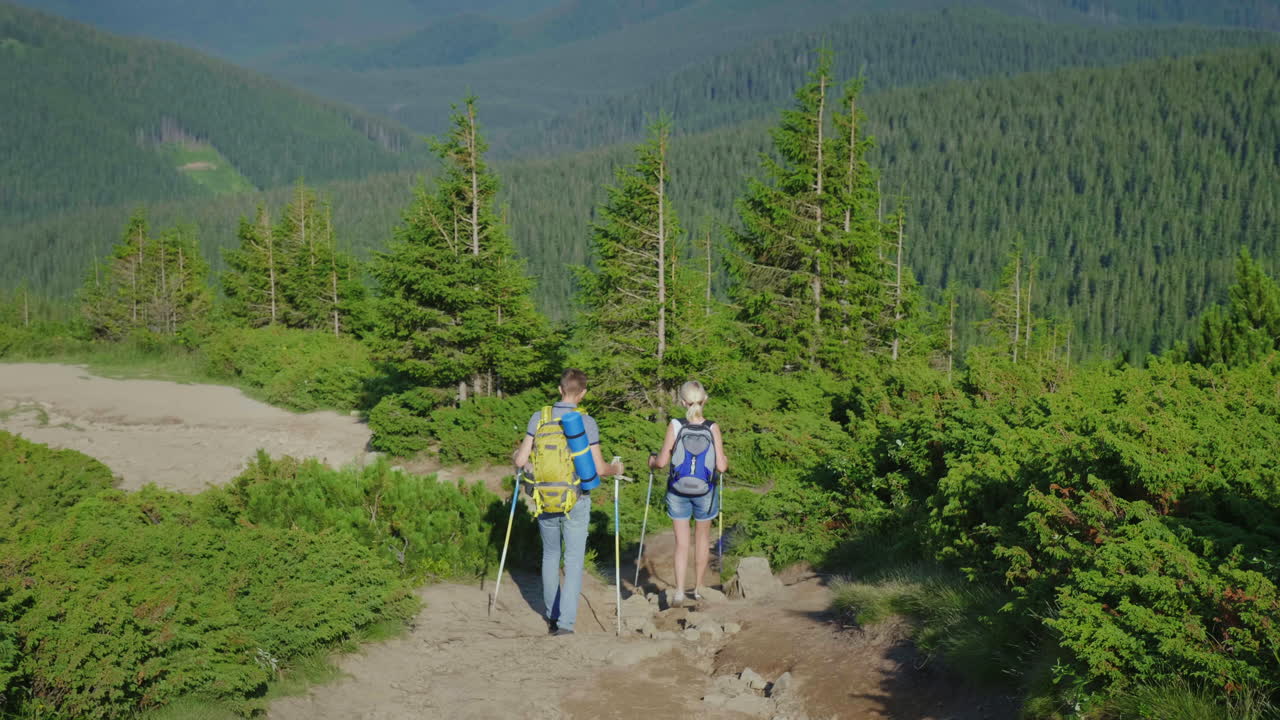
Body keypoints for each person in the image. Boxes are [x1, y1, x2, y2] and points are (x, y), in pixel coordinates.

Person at [513, 368, 623, 636]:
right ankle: (565, 625)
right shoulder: (585, 421)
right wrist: (616, 469)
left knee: (550, 555)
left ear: (560, 389)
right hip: (576, 498)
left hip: (544, 497)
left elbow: (519, 461)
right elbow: (598, 469)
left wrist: (519, 455)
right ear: (582, 393)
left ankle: (551, 616)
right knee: (573, 560)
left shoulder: (540, 417)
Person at [648, 380, 728, 606]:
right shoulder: (712, 427)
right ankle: (699, 589)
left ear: (682, 402)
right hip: (706, 492)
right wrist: (725, 460)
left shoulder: (675, 425)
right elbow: (721, 467)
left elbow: (662, 462)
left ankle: (680, 592)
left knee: (682, 543)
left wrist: (651, 461)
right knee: (702, 539)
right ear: (705, 400)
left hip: (677, 490)